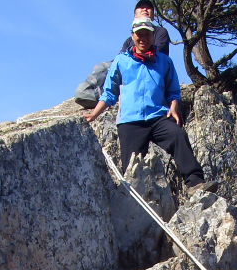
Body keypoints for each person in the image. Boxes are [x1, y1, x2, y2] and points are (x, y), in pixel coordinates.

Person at [83, 17, 218, 193]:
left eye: (147, 34)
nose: (142, 38)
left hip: (157, 117)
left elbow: (173, 90)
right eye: (139, 34)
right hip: (130, 121)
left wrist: (174, 106)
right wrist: (94, 114)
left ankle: (195, 183)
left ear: (153, 36)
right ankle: (135, 207)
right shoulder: (121, 61)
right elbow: (109, 93)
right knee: (132, 172)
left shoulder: (164, 61)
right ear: (132, 36)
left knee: (177, 135)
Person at [74, 0, 171, 109]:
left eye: (149, 7)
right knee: (101, 68)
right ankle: (98, 95)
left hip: (145, 72)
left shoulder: (160, 32)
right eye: (141, 7)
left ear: (153, 15)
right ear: (135, 15)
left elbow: (157, 55)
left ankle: (109, 98)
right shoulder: (129, 40)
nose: (145, 9)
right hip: (125, 71)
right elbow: (119, 61)